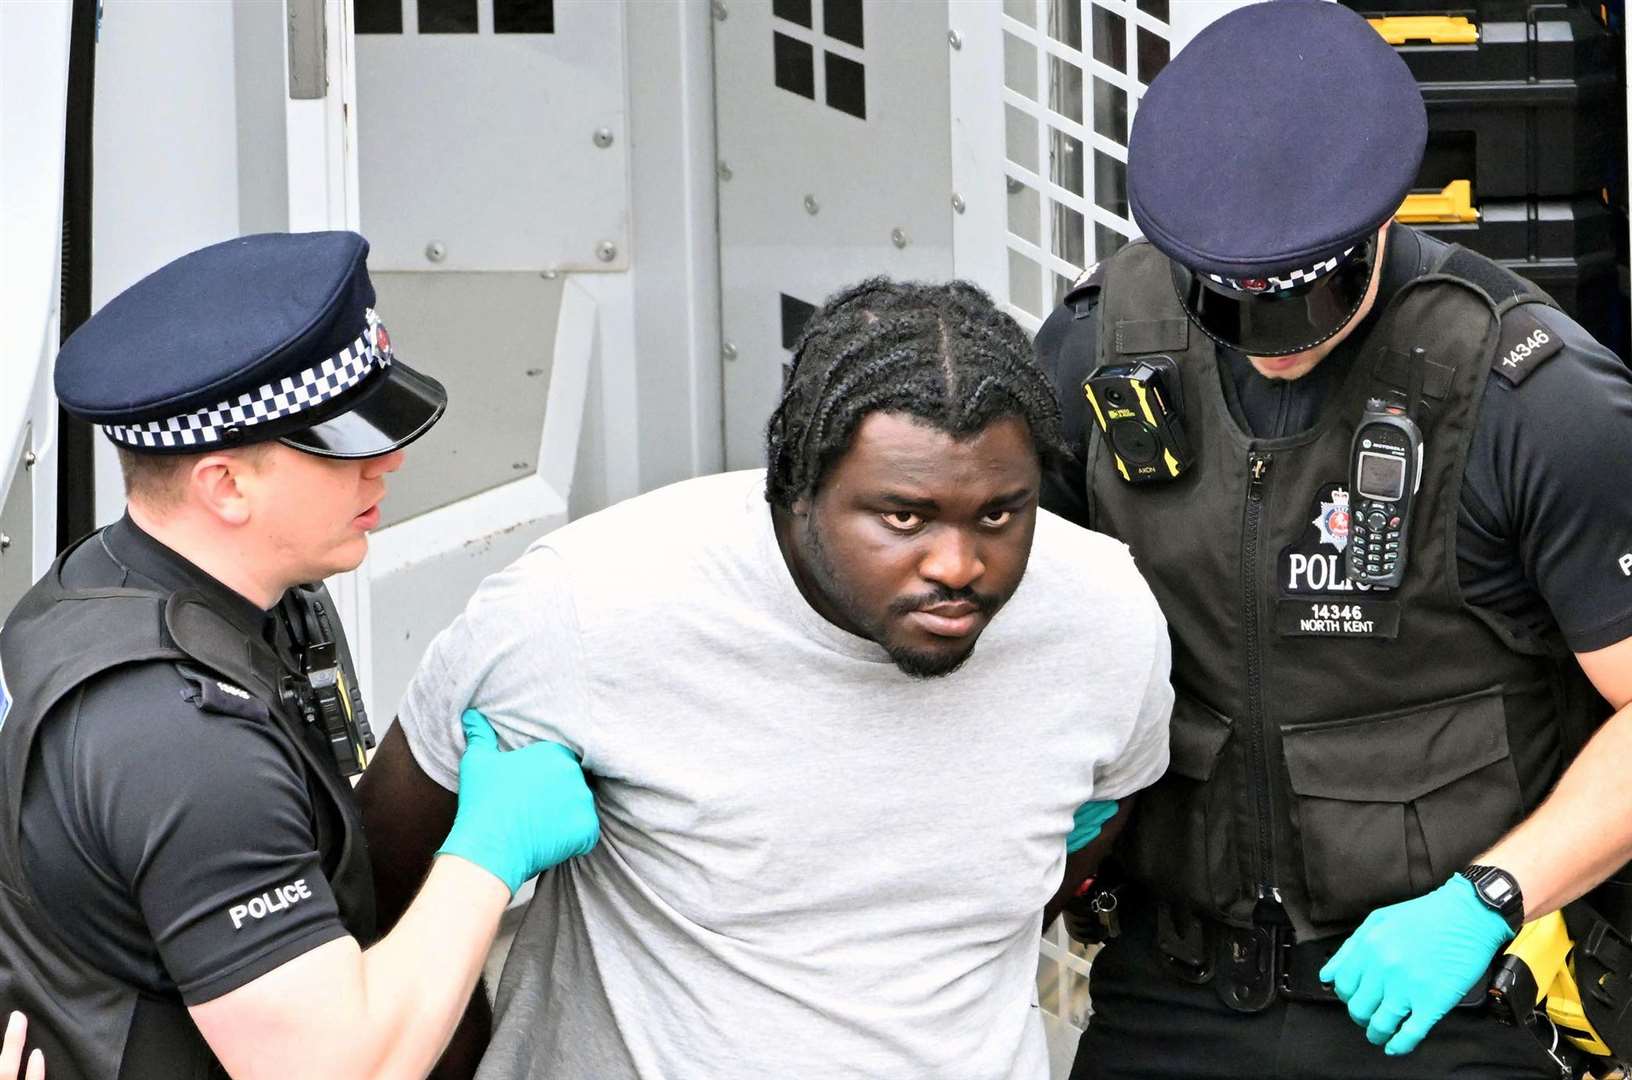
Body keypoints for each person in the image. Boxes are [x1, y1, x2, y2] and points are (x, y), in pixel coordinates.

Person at [352, 277, 1173, 1079]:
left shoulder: (1101, 616)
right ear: (796, 487)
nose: (958, 565)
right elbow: (381, 879)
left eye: (999, 513)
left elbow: (1084, 840)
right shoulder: (585, 607)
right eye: (903, 517)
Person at [1033, 2, 1632, 1077]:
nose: (1271, 349)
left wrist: (1489, 899)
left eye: (1302, 300)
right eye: (1234, 303)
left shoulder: (1532, 397)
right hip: (1172, 984)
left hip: (1447, 993)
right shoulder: (1102, 349)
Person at [0, 232, 601, 1079]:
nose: (388, 463)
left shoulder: (95, 589)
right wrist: (488, 854)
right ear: (225, 486)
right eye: (343, 446)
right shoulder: (182, 738)